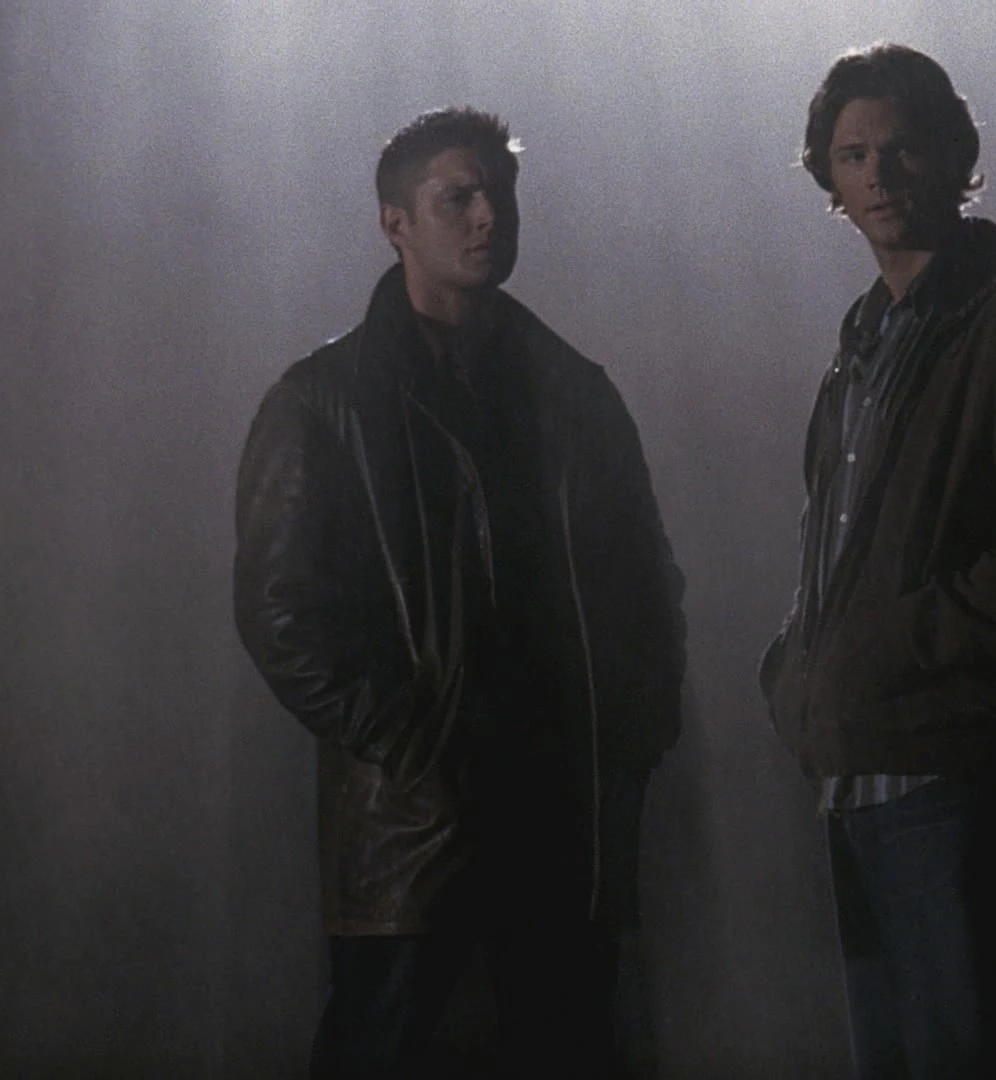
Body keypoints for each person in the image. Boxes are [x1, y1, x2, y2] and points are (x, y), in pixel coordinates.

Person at [233, 106, 684, 1077]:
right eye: (460, 197)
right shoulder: (322, 402)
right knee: (381, 1050)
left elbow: (645, 581)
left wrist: (633, 736)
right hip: (414, 823)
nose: (489, 216)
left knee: (566, 1052)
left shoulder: (574, 390)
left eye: (501, 195)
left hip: (560, 812)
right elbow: (279, 614)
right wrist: (410, 741)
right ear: (394, 222)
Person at [759, 44, 996, 1079]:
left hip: (956, 766)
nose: (878, 175)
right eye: (852, 156)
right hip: (858, 763)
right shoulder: (863, 340)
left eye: (901, 147)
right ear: (829, 178)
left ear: (955, 153)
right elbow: (835, 543)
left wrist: (894, 648)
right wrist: (798, 671)